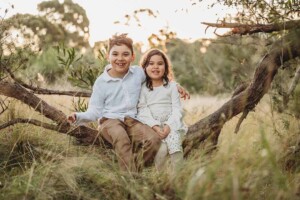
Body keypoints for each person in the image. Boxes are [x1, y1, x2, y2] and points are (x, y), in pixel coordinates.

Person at [67, 34, 189, 172]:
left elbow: (155, 75)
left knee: (154, 140)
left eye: (125, 54)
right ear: (108, 56)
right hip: (109, 121)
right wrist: (78, 116)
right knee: (121, 138)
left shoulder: (138, 73)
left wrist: (175, 85)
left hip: (133, 120)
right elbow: (95, 111)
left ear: (132, 57)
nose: (120, 58)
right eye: (115, 54)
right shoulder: (101, 82)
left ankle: (134, 172)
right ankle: (130, 178)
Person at [137, 48, 188, 174]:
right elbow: (142, 109)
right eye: (151, 63)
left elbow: (177, 109)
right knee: (161, 151)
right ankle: (162, 180)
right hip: (153, 126)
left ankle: (178, 177)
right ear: (144, 67)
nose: (155, 67)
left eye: (160, 63)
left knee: (175, 148)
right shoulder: (143, 88)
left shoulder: (171, 87)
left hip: (172, 125)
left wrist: (169, 126)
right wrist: (155, 126)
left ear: (165, 67)